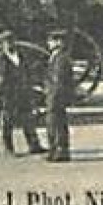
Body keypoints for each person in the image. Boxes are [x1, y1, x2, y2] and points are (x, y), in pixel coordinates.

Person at [0, 29, 45, 156]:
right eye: (7, 42)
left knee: (28, 120)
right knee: (7, 123)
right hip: (7, 96)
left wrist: (31, 87)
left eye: (11, 41)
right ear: (2, 45)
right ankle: (8, 149)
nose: (10, 44)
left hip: (23, 93)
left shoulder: (22, 57)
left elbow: (29, 73)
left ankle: (34, 145)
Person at [43, 30, 73, 163]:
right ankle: (56, 150)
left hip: (56, 97)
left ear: (58, 43)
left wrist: (52, 96)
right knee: (56, 124)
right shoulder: (57, 57)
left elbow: (58, 80)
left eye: (51, 41)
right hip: (55, 96)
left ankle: (59, 151)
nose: (48, 44)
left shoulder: (60, 58)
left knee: (55, 124)